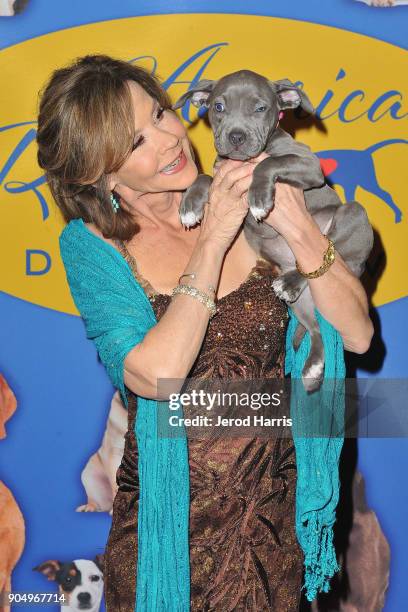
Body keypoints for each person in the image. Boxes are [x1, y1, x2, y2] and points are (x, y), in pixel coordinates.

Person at [36, 55, 373, 611]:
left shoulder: (253, 190)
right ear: (96, 174)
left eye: (162, 114)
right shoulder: (93, 247)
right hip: (171, 533)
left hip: (271, 522)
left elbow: (357, 334)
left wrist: (298, 225)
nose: (170, 140)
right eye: (136, 142)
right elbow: (156, 374)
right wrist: (213, 237)